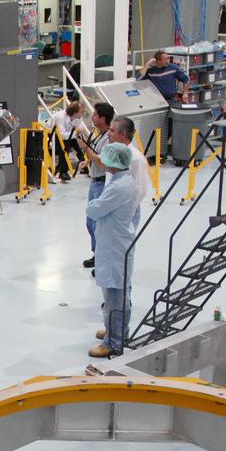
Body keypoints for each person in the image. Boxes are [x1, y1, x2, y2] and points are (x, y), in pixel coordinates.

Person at [86, 143, 138, 358]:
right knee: (121, 292)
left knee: (114, 295)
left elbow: (94, 209)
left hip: (114, 246)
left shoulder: (117, 187)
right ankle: (118, 333)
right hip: (118, 242)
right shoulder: (125, 181)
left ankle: (113, 343)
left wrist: (94, 204)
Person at [81, 115, 148, 227]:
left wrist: (125, 213)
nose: (108, 134)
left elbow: (140, 190)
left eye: (112, 131)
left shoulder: (136, 158)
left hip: (124, 214)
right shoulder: (113, 153)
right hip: (110, 210)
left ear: (123, 135)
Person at [75, 102, 116, 269]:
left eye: (95, 115)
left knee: (96, 223)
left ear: (103, 118)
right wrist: (87, 159)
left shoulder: (108, 138)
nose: (92, 117)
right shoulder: (98, 134)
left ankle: (101, 256)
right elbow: (94, 156)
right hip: (94, 181)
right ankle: (96, 253)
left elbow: (102, 161)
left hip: (101, 183)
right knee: (90, 221)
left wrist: (86, 150)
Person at [49, 102, 85, 182]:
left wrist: (77, 134)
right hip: (52, 136)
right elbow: (62, 135)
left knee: (79, 144)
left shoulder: (77, 118)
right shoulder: (60, 117)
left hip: (68, 136)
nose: (83, 113)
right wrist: (76, 133)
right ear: (75, 112)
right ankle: (63, 172)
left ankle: (85, 165)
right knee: (64, 146)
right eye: (82, 111)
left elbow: (80, 129)